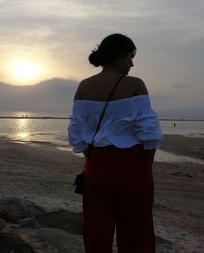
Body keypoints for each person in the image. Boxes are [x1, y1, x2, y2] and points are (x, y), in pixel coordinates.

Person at [68, 33, 162, 253]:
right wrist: (145, 164)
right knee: (136, 230)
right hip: (133, 164)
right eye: (130, 57)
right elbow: (148, 133)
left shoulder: (84, 86)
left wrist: (92, 159)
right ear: (118, 56)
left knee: (96, 229)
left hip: (97, 165)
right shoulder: (135, 85)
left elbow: (76, 133)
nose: (132, 63)